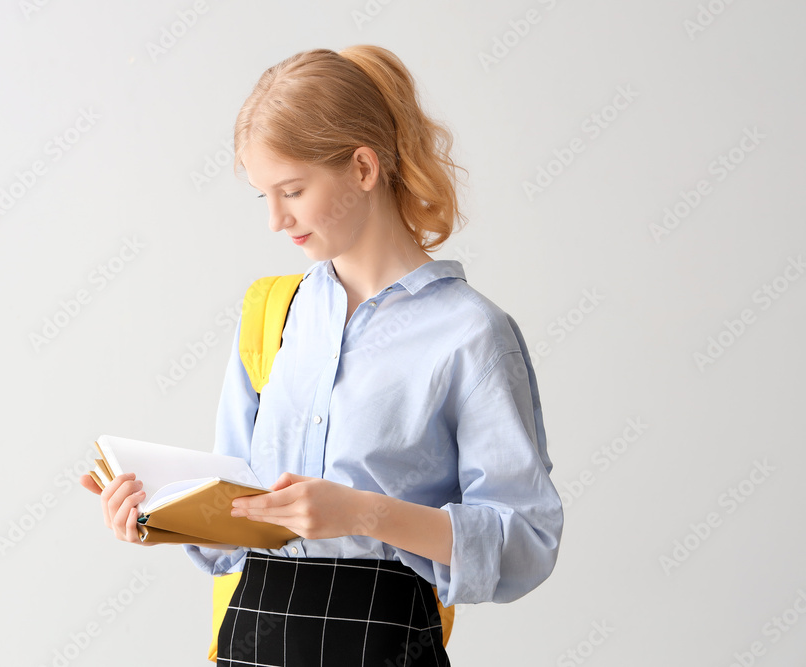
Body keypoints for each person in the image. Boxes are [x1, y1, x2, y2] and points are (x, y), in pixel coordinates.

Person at [81, 44, 563, 666]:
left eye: (293, 190)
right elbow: (237, 519)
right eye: (264, 197)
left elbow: (525, 541)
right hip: (252, 639)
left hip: (379, 642)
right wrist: (161, 517)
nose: (277, 220)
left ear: (363, 168)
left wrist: (364, 513)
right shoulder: (272, 313)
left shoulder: (469, 333)